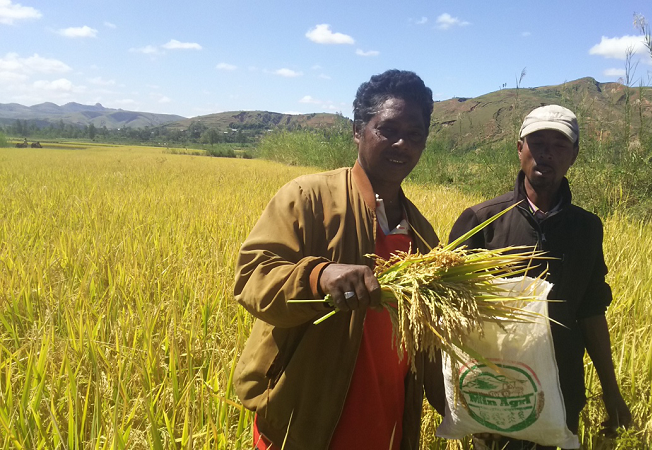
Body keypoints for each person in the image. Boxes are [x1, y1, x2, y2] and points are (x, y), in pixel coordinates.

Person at [233, 69, 444, 450]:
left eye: (415, 135)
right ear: (358, 130)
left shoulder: (422, 234)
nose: (402, 144)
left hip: (386, 422)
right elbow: (252, 277)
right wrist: (320, 276)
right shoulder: (308, 198)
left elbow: (428, 338)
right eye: (388, 130)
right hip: (306, 423)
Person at [449, 105, 631, 449]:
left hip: (561, 390)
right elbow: (451, 315)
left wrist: (612, 393)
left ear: (574, 155)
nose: (546, 153)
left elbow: (591, 311)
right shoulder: (482, 222)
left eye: (559, 145)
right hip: (497, 394)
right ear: (519, 148)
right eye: (537, 143)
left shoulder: (586, 229)